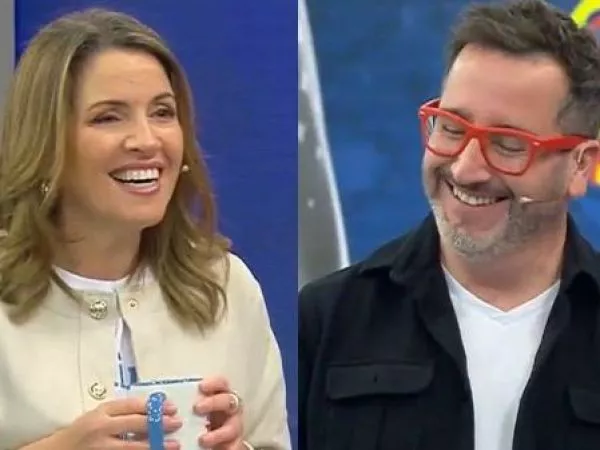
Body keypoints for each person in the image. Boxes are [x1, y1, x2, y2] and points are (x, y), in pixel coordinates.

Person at [299, 0, 600, 449]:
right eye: (453, 128)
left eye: (508, 144)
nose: (464, 169)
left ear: (580, 166)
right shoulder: (325, 320)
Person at [0, 8, 291, 450]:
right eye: (108, 117)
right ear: (45, 142)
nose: (147, 140)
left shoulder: (227, 286)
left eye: (162, 112)